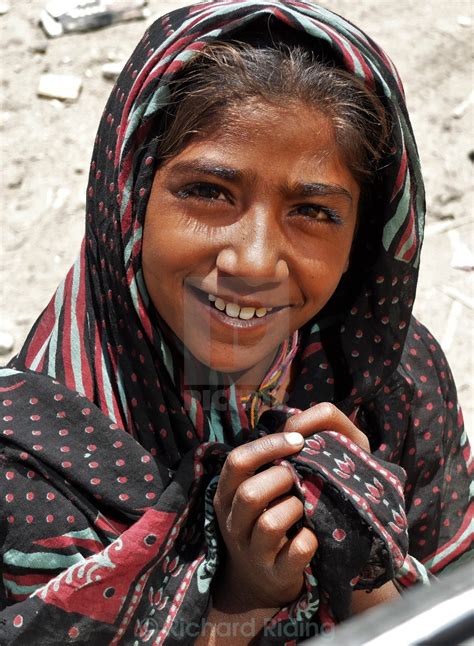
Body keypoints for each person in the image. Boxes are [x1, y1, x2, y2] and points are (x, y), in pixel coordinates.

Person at [1, 1, 472, 644]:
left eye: (313, 210)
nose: (252, 261)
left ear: (364, 236)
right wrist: (240, 602)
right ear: (131, 197)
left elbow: (450, 611)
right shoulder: (28, 464)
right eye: (208, 192)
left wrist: (359, 557)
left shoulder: (393, 381)